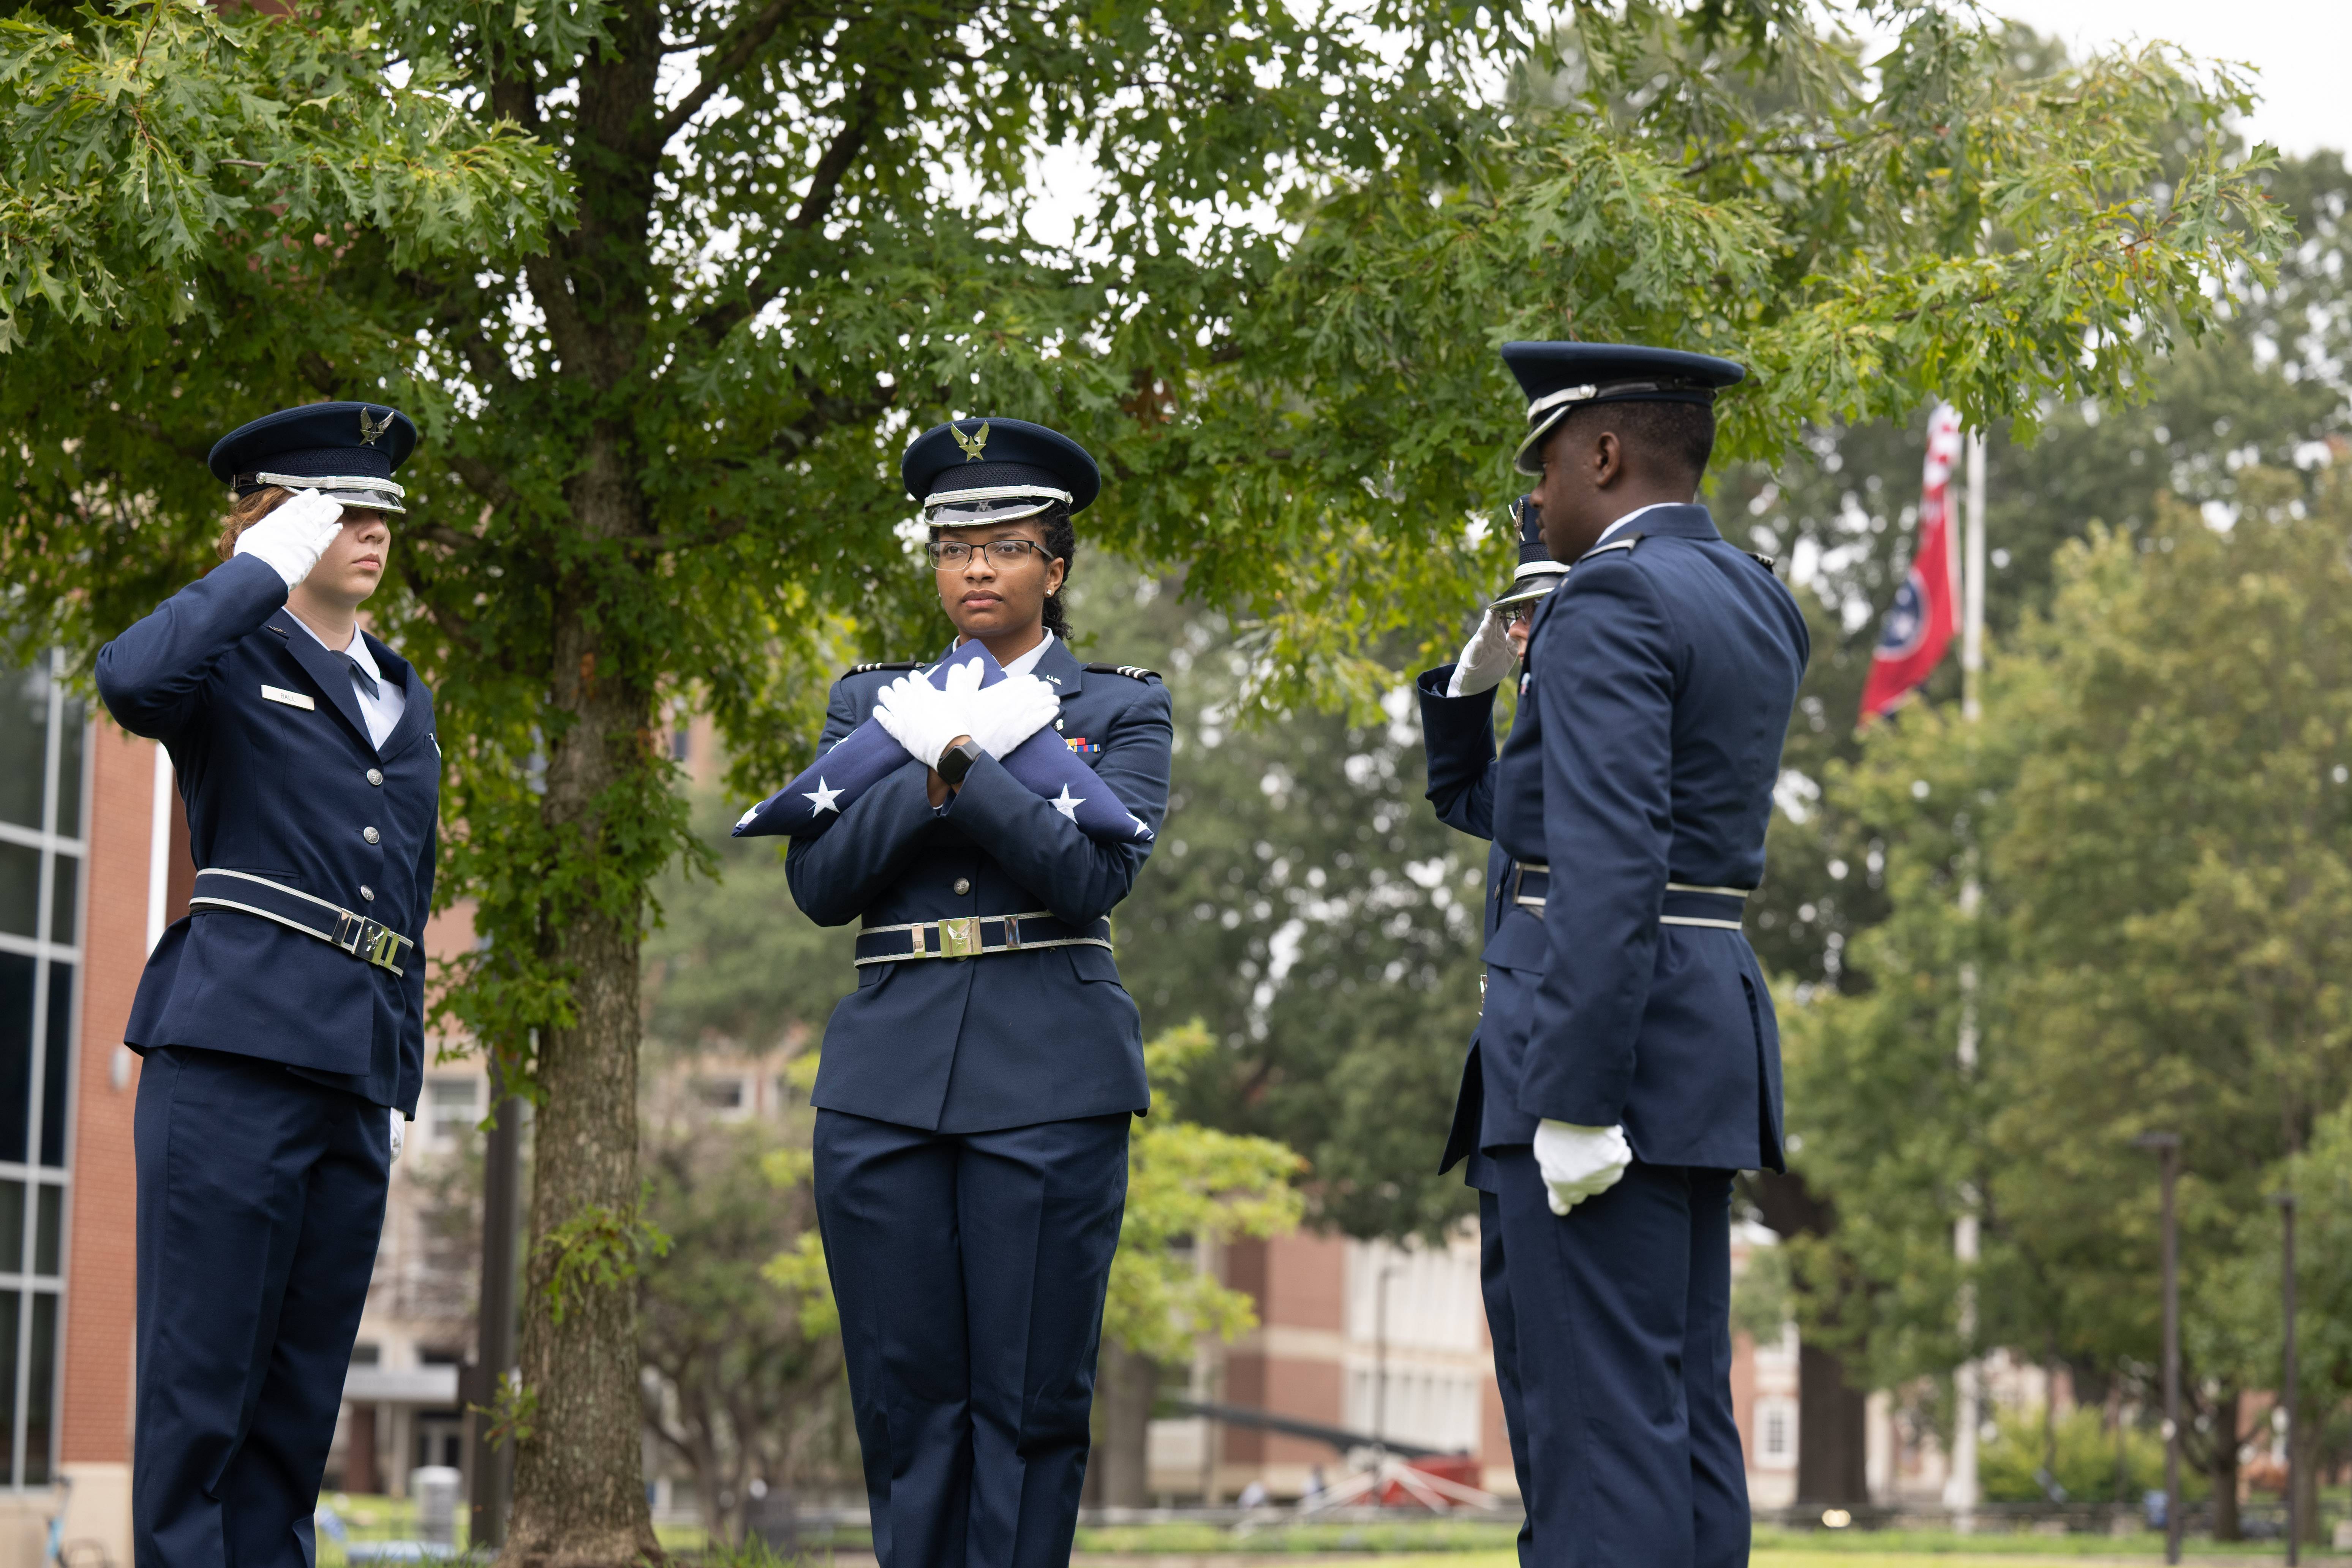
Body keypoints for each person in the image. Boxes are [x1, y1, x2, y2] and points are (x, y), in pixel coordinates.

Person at [1429, 343, 1809, 1568]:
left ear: (1600, 453)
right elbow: (1545, 821)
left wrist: (1576, 1098)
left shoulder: (1610, 598)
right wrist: (1464, 699)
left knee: (1591, 1440)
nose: (1535, 499)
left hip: (1599, 1050)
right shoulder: (1751, 590)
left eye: (1544, 468)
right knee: (1680, 1414)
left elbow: (1607, 863)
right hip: (1699, 1036)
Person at [784, 416, 1175, 1568]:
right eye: (954, 548)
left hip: (1050, 1071)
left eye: (1003, 546)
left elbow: (1096, 871)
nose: (974, 569)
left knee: (1028, 1401)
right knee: (905, 1404)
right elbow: (818, 882)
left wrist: (973, 769)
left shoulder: (1119, 707)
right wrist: (927, 762)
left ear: (1055, 567)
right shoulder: (872, 708)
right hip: (886, 1078)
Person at [95, 402, 438, 1568]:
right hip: (234, 1055)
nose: (371, 528)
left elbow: (405, 890)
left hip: (352, 1070)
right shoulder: (228, 654)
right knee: (201, 1408)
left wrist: (399, 1068)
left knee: (296, 1425)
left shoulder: (404, 693)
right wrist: (253, 572)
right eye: (338, 508)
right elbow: (131, 680)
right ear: (272, 519)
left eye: (383, 508)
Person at [1413, 493, 1566, 1558]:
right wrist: (1481, 664)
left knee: (1573, 1386)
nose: (1528, 636)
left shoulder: (1589, 760)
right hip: (1509, 1094)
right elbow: (1456, 788)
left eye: (1544, 614)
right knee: (1531, 1379)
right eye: (1518, 616)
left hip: (1571, 1090)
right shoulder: (1525, 759)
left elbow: (1491, 796)